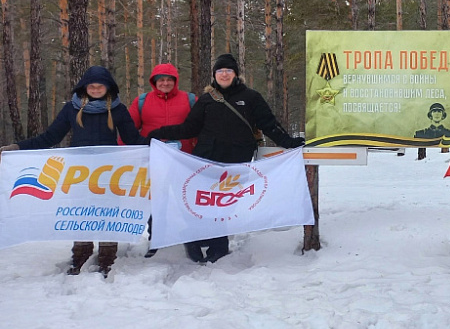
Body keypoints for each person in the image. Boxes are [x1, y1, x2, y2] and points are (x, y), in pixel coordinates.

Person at [148, 53, 304, 264]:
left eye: (228, 71)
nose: (224, 74)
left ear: (235, 74)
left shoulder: (251, 97)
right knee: (202, 203)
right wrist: (158, 133)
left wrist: (289, 141)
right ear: (214, 75)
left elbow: (269, 124)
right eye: (220, 71)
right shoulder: (206, 99)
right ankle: (194, 241)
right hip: (205, 160)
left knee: (224, 205)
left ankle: (218, 247)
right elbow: (189, 128)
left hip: (235, 162)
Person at [0, 66, 144, 276]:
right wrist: (17, 148)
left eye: (100, 86)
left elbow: (133, 139)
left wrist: (157, 146)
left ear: (108, 87)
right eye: (91, 86)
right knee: (82, 213)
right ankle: (81, 255)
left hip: (109, 173)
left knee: (108, 214)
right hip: (79, 173)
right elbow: (50, 137)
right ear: (84, 87)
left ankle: (107, 258)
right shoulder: (71, 109)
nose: (95, 89)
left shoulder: (118, 110)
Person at [128, 63, 197, 257]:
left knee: (187, 199)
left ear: (175, 81)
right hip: (154, 158)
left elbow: (201, 126)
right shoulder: (142, 101)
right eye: (161, 79)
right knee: (157, 200)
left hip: (184, 158)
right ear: (154, 82)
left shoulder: (189, 100)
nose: (165, 83)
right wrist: (125, 152)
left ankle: (193, 240)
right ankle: (156, 239)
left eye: (169, 79)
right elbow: (129, 129)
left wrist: (201, 150)